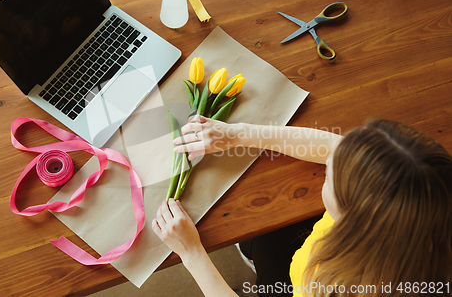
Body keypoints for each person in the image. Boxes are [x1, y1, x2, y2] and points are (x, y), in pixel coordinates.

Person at [152, 116, 452, 297]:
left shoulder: (330, 288)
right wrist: (238, 134)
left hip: (294, 284)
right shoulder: (425, 199)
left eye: (331, 175)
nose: (330, 158)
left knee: (266, 248)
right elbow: (334, 147)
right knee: (263, 233)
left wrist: (191, 253)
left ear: (352, 224)